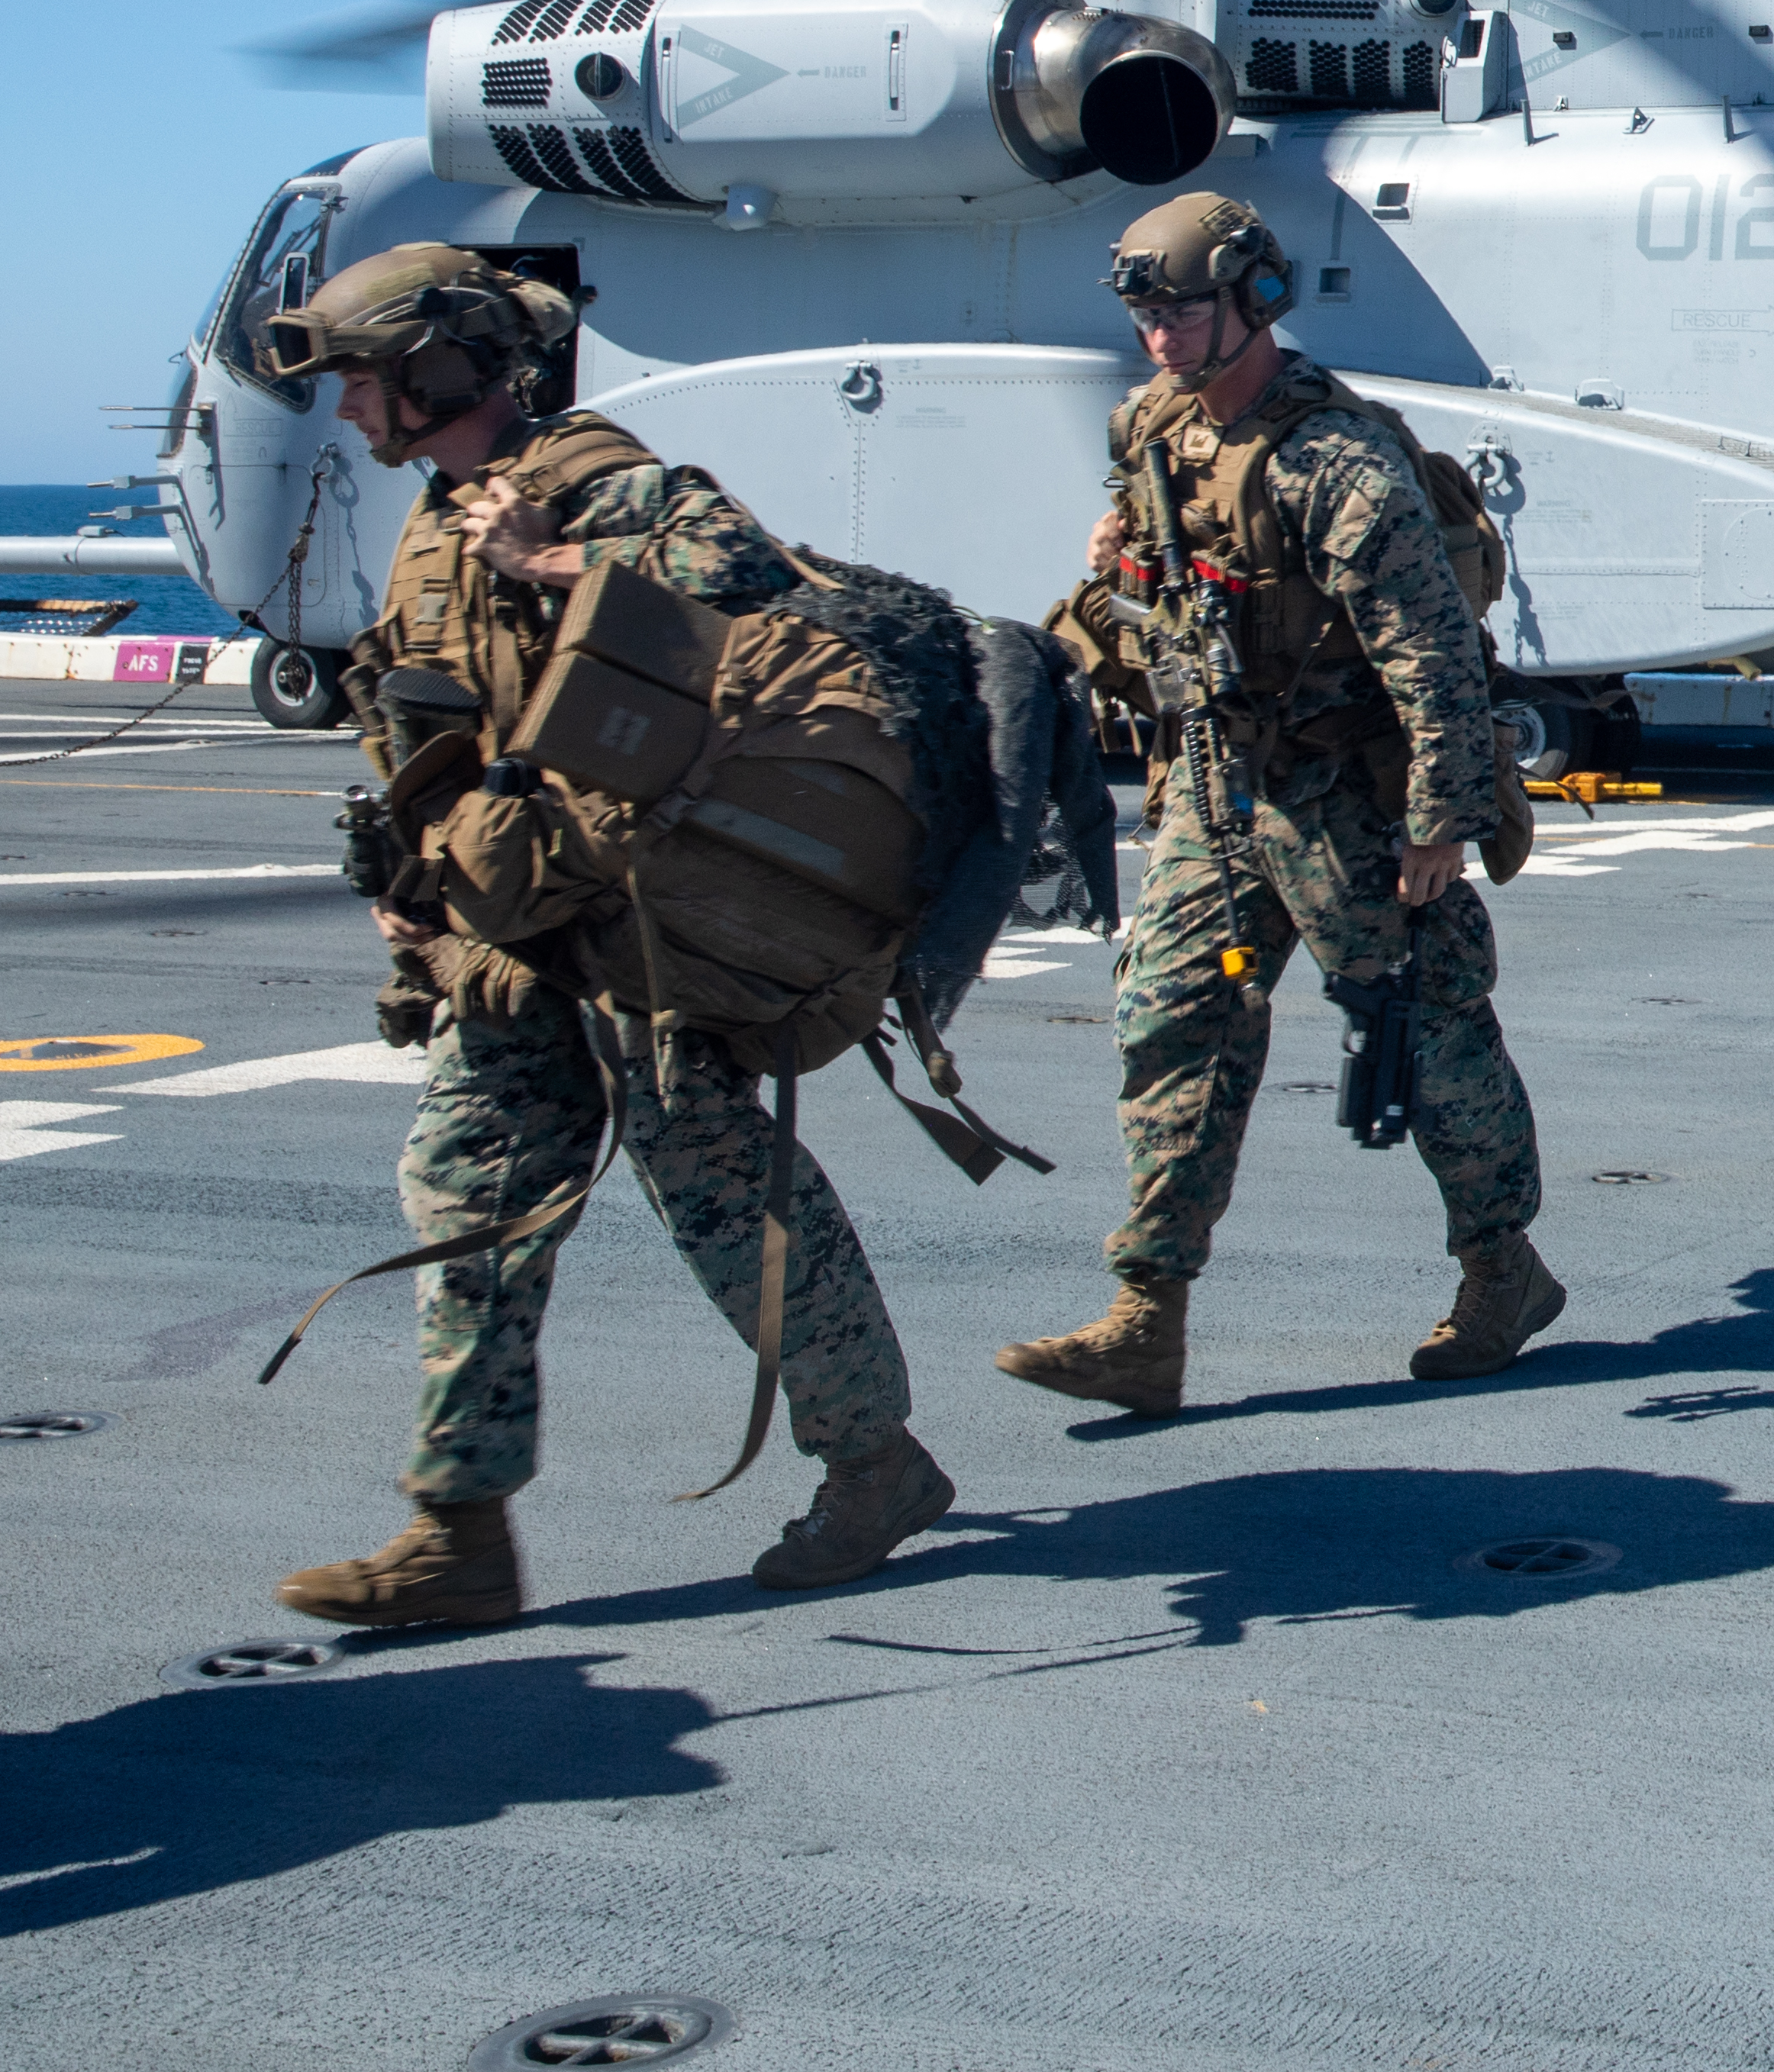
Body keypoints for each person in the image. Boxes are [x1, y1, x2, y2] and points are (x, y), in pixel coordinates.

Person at [258, 244, 951, 1629]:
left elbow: (749, 578)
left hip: (641, 919)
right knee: (466, 1197)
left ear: (432, 371)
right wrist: (415, 897)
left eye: (357, 384)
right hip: (519, 931)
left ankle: (874, 1464)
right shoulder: (436, 521)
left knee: (720, 1195)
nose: (343, 414)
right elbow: (427, 722)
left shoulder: (593, 479)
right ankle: (459, 1532)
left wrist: (556, 556)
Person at [1001, 193, 1556, 1414]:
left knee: (1431, 1031)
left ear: (1251, 300)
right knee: (1169, 1021)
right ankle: (1147, 1317)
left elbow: (1431, 658)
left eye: (1182, 308)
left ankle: (1503, 1272)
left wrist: (1438, 824)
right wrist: (1116, 575)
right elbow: (1159, 592)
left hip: (1345, 793)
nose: (1159, 333)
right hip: (1215, 780)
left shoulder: (1336, 462)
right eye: (1144, 311)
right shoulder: (1151, 427)